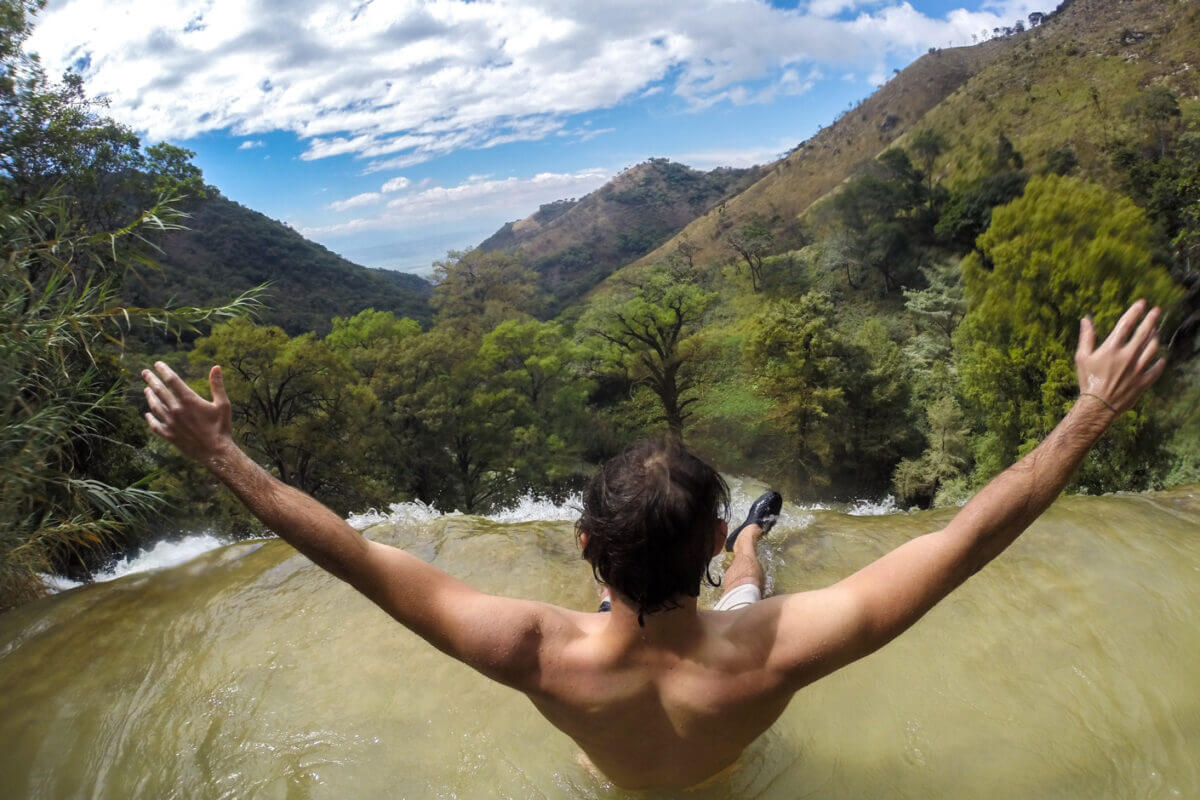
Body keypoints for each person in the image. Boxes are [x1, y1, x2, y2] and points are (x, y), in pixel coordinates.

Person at [140, 300, 1165, 791]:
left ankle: (746, 549)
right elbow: (968, 536)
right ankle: (757, 545)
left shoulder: (536, 652)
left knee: (734, 595)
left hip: (615, 677)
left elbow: (351, 554)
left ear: (585, 544)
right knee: (751, 595)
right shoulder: (783, 650)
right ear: (705, 535)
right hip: (729, 654)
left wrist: (221, 453)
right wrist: (1090, 411)